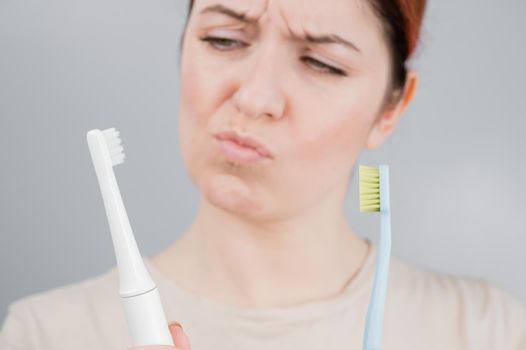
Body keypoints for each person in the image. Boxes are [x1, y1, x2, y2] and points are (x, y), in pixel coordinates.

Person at [1, 0, 525, 349]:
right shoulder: (45, 333)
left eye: (322, 63)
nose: (253, 97)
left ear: (392, 107)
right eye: (224, 39)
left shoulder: (488, 330)